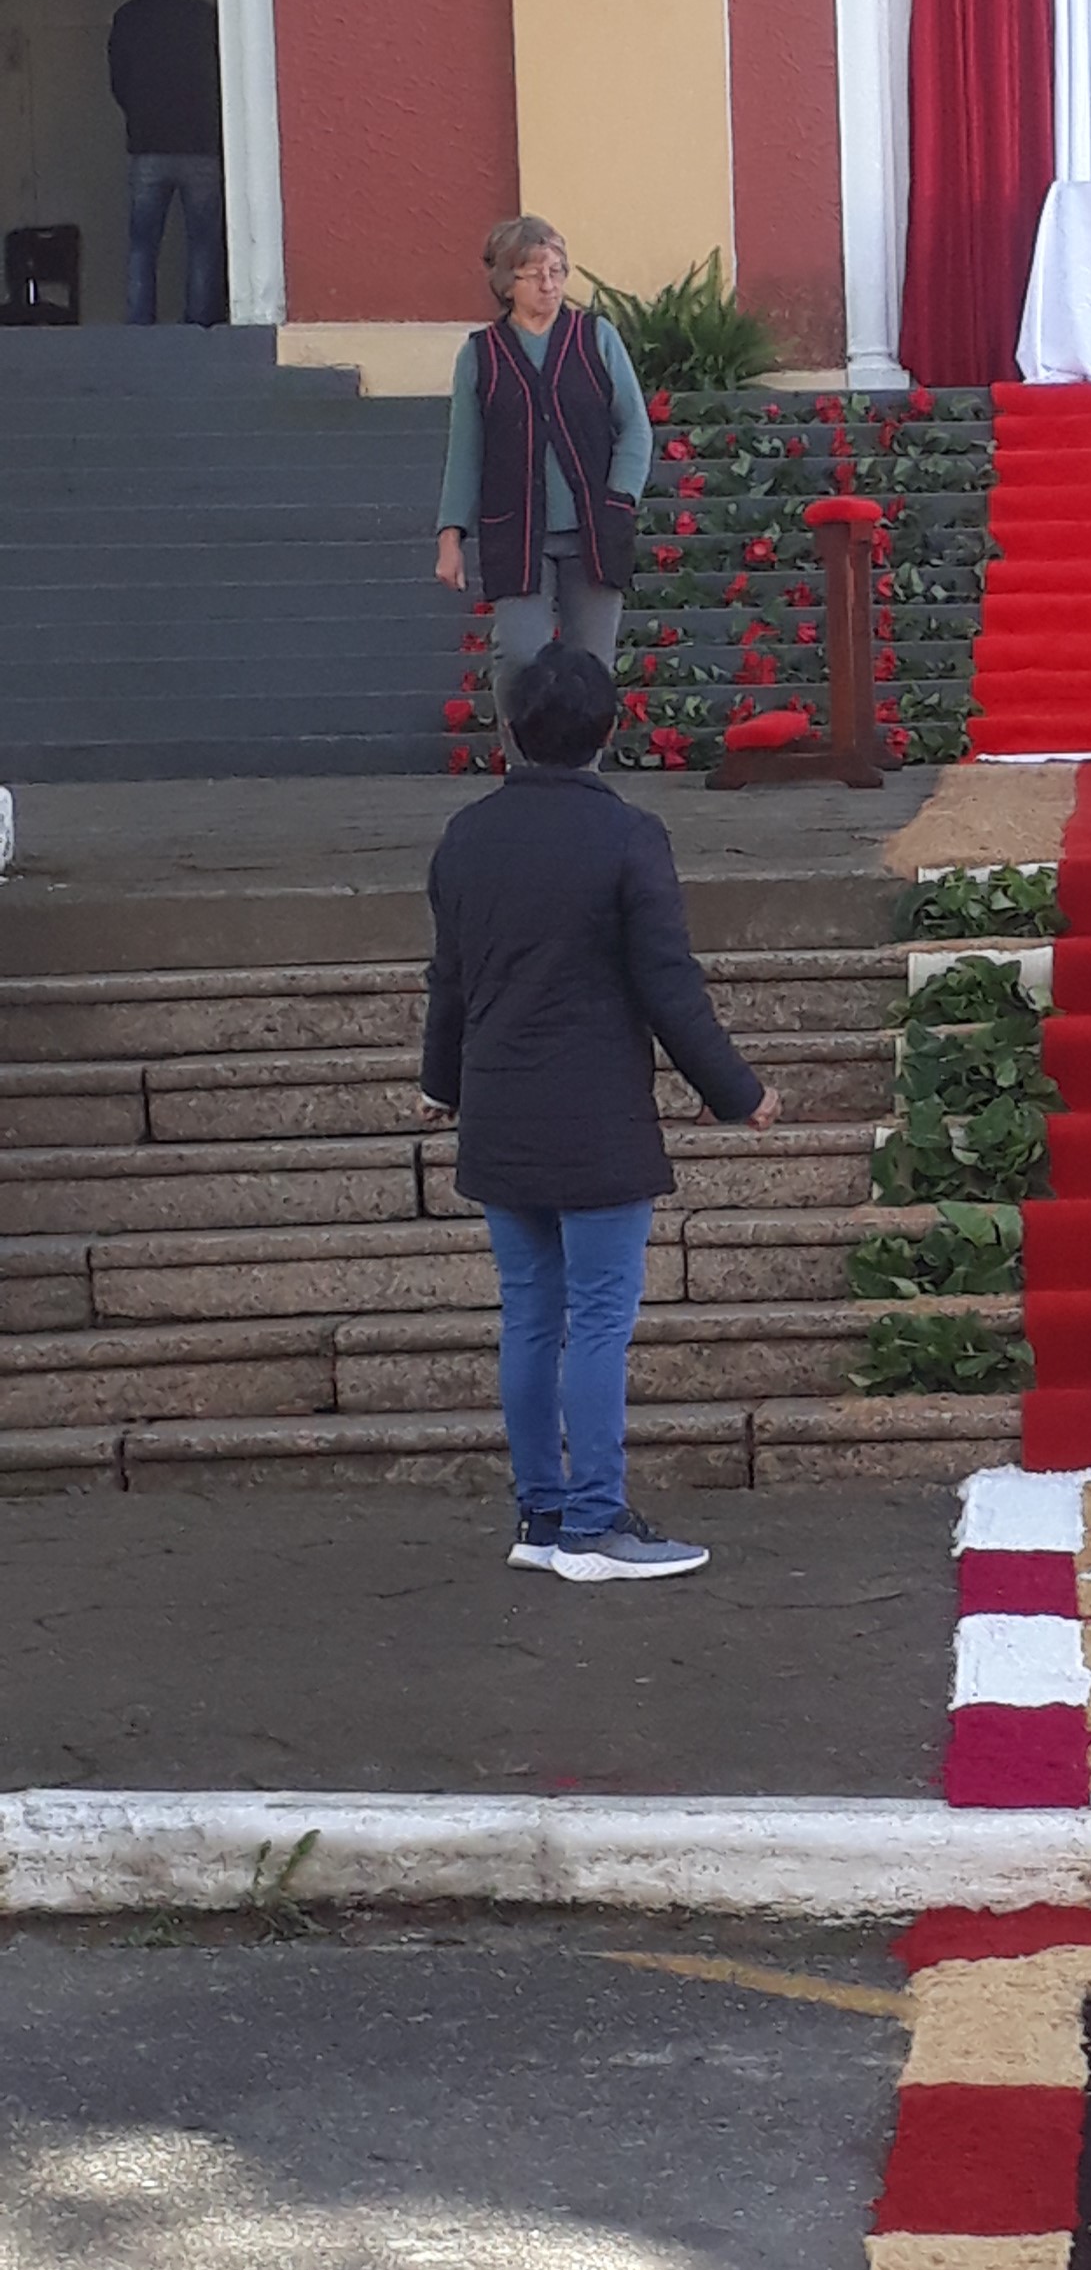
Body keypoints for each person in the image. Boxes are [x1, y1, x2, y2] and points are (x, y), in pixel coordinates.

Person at [419, 642, 779, 1579]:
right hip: (597, 1119)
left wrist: (440, 1082)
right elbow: (667, 985)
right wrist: (736, 1093)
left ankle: (541, 1517)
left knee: (531, 1318)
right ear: (609, 732)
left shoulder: (466, 836)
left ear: (510, 731)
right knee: (599, 1318)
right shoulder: (628, 838)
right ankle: (596, 1521)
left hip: (498, 1112)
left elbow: (449, 981)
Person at [435, 216, 653, 750]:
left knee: (592, 665)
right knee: (518, 657)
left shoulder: (595, 337)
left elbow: (635, 428)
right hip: (518, 533)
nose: (550, 285)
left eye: (558, 272)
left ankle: (586, 782)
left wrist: (619, 497)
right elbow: (465, 451)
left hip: (594, 532)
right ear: (507, 283)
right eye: (536, 274)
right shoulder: (480, 355)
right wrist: (450, 538)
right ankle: (525, 776)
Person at [108, 0, 225, 327]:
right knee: (203, 245)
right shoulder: (206, 18)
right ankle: (201, 327)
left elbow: (118, 81)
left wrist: (140, 115)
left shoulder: (129, 18)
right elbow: (222, 77)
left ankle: (141, 327)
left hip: (149, 145)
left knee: (143, 245)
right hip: (200, 144)